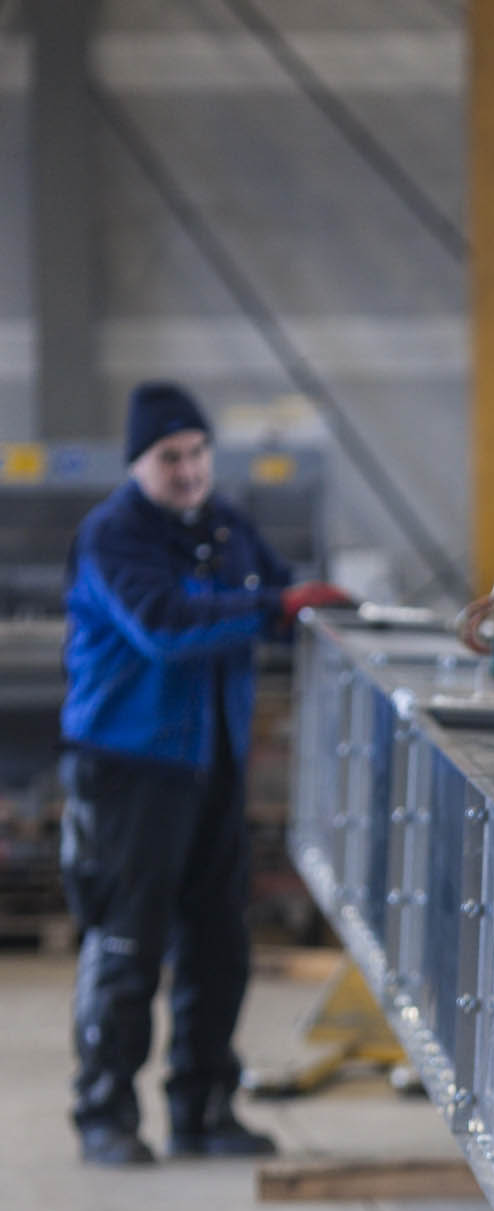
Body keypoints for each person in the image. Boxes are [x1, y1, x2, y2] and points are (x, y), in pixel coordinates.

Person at [59, 380, 351, 1166]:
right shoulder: (113, 535)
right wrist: (271, 608)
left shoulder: (225, 525)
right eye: (168, 458)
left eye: (196, 453)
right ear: (139, 463)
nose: (187, 470)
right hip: (130, 772)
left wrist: (334, 617)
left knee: (218, 945)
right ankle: (105, 1115)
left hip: (211, 767)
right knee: (127, 947)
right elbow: (163, 628)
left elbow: (281, 594)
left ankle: (203, 1110)